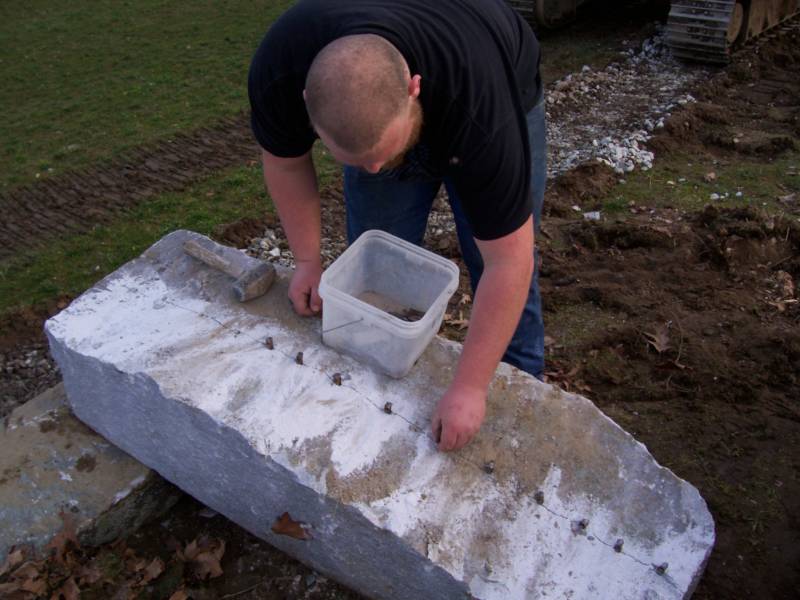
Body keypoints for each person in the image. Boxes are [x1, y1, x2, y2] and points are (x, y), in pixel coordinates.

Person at [248, 0, 546, 452]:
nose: (376, 169)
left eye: (385, 152)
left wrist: (468, 387)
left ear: (413, 88)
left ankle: (521, 404)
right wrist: (308, 262)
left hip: (491, 71)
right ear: (306, 103)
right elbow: (286, 165)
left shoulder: (481, 109)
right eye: (357, 161)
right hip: (401, 92)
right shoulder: (282, 67)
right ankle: (376, 402)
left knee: (495, 267)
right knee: (377, 269)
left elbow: (510, 261)